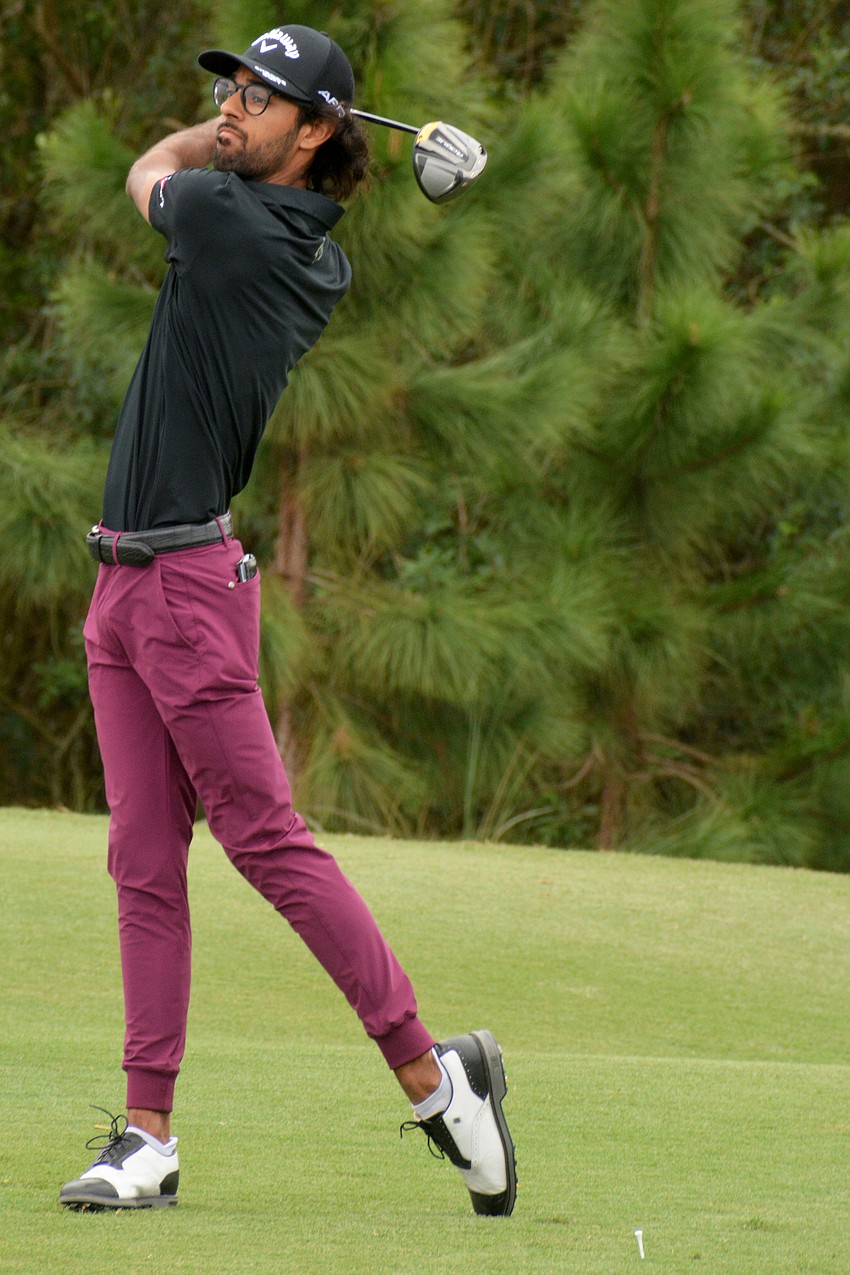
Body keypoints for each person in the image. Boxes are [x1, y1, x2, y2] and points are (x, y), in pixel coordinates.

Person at [58, 24, 516, 1217]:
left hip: (185, 593)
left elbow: (143, 173)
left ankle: (436, 1087)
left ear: (317, 133)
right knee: (142, 862)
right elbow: (190, 165)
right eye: (232, 86)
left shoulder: (228, 219)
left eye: (262, 97)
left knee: (268, 842)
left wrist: (198, 142)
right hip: (126, 584)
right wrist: (235, 127)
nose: (232, 106)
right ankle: (146, 1137)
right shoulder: (299, 239)